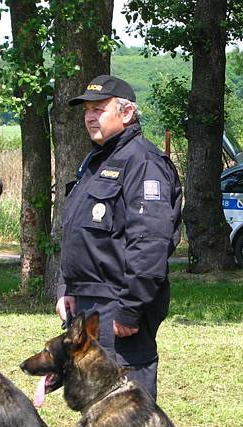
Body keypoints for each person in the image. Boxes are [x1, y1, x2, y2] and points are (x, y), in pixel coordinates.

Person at [56, 74, 183, 400]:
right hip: (88, 302)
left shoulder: (143, 162)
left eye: (99, 109)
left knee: (126, 409)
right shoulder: (97, 161)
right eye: (87, 111)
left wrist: (130, 308)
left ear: (127, 114)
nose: (89, 116)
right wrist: (67, 287)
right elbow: (77, 232)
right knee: (97, 404)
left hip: (119, 305)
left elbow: (151, 244)